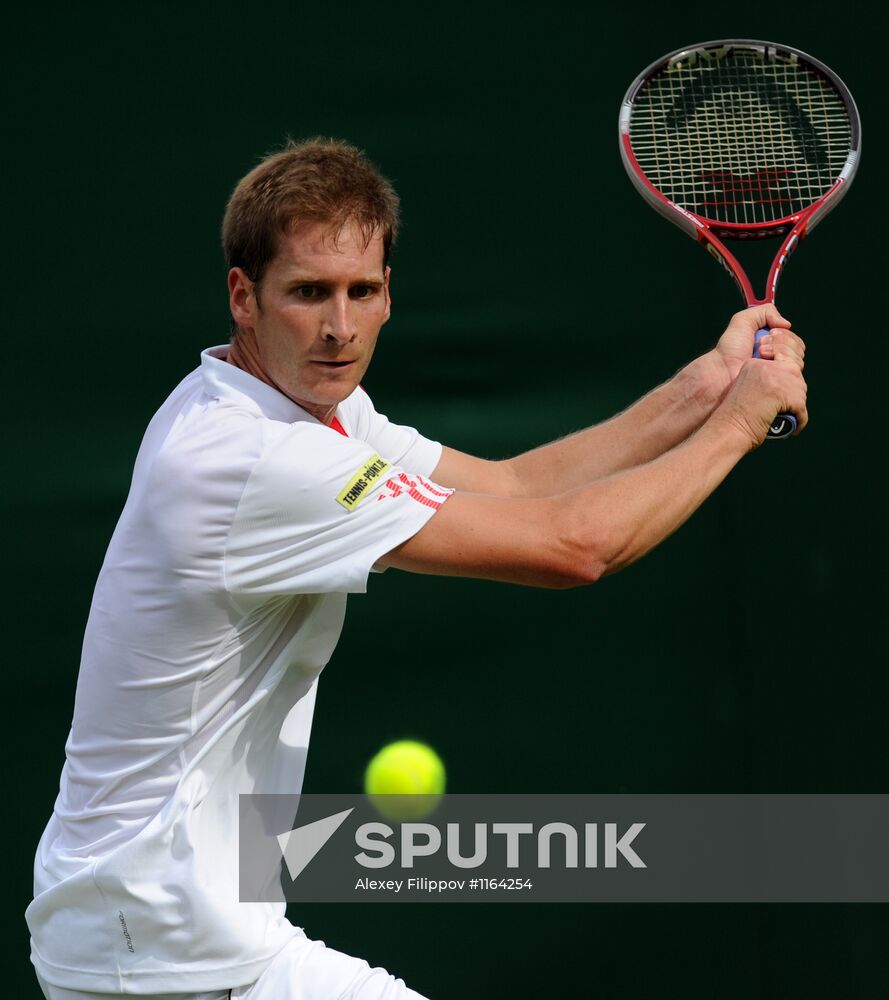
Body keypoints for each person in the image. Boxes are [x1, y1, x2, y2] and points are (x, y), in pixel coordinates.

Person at [26, 138, 807, 1000]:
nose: (339, 326)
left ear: (389, 293)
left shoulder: (307, 409)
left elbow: (518, 485)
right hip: (154, 950)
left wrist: (707, 388)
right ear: (242, 297)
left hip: (195, 932)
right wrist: (738, 426)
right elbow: (570, 547)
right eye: (308, 293)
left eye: (362, 291)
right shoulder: (248, 459)